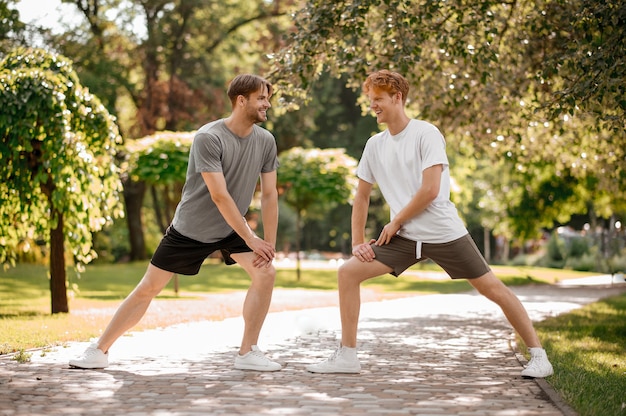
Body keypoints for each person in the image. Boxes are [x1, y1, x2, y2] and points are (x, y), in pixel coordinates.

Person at [306, 70, 554, 378]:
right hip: (406, 238)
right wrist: (358, 242)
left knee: (493, 289)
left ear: (398, 98)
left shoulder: (426, 134)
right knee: (348, 273)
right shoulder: (374, 145)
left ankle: (539, 356)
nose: (373, 106)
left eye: (379, 99)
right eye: (371, 100)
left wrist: (395, 221)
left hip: (442, 232)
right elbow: (361, 198)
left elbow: (431, 190)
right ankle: (347, 355)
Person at [69, 74, 282, 372]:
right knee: (148, 288)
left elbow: (270, 194)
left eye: (267, 98)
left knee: (266, 274)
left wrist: (267, 243)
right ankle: (99, 350)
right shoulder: (209, 137)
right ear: (241, 100)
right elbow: (219, 196)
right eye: (261, 97)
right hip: (192, 229)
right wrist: (251, 238)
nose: (267, 103)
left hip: (233, 228)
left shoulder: (265, 141)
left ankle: (248, 352)